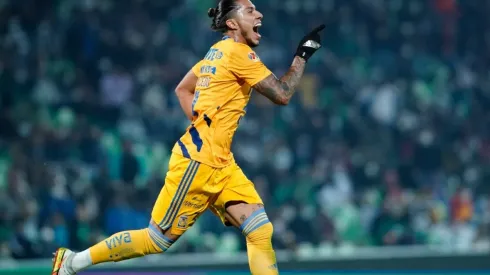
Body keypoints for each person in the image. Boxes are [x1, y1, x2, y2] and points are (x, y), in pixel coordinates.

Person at [51, 0, 324, 274]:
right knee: (155, 240)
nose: (259, 14)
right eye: (250, 10)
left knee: (259, 229)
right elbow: (283, 94)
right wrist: (303, 54)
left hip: (222, 163)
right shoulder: (238, 54)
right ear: (231, 22)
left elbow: (183, 89)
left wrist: (203, 122)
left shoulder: (215, 53)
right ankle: (73, 262)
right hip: (198, 162)